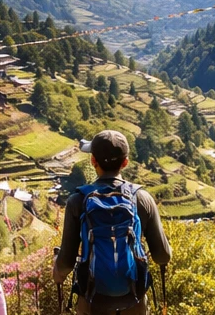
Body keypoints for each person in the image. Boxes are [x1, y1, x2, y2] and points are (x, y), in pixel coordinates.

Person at [53, 130, 173, 315]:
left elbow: (66, 264)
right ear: (125, 162)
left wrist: (57, 267)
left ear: (93, 161)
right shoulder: (142, 199)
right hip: (134, 301)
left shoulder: (78, 201)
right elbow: (163, 256)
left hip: (92, 303)